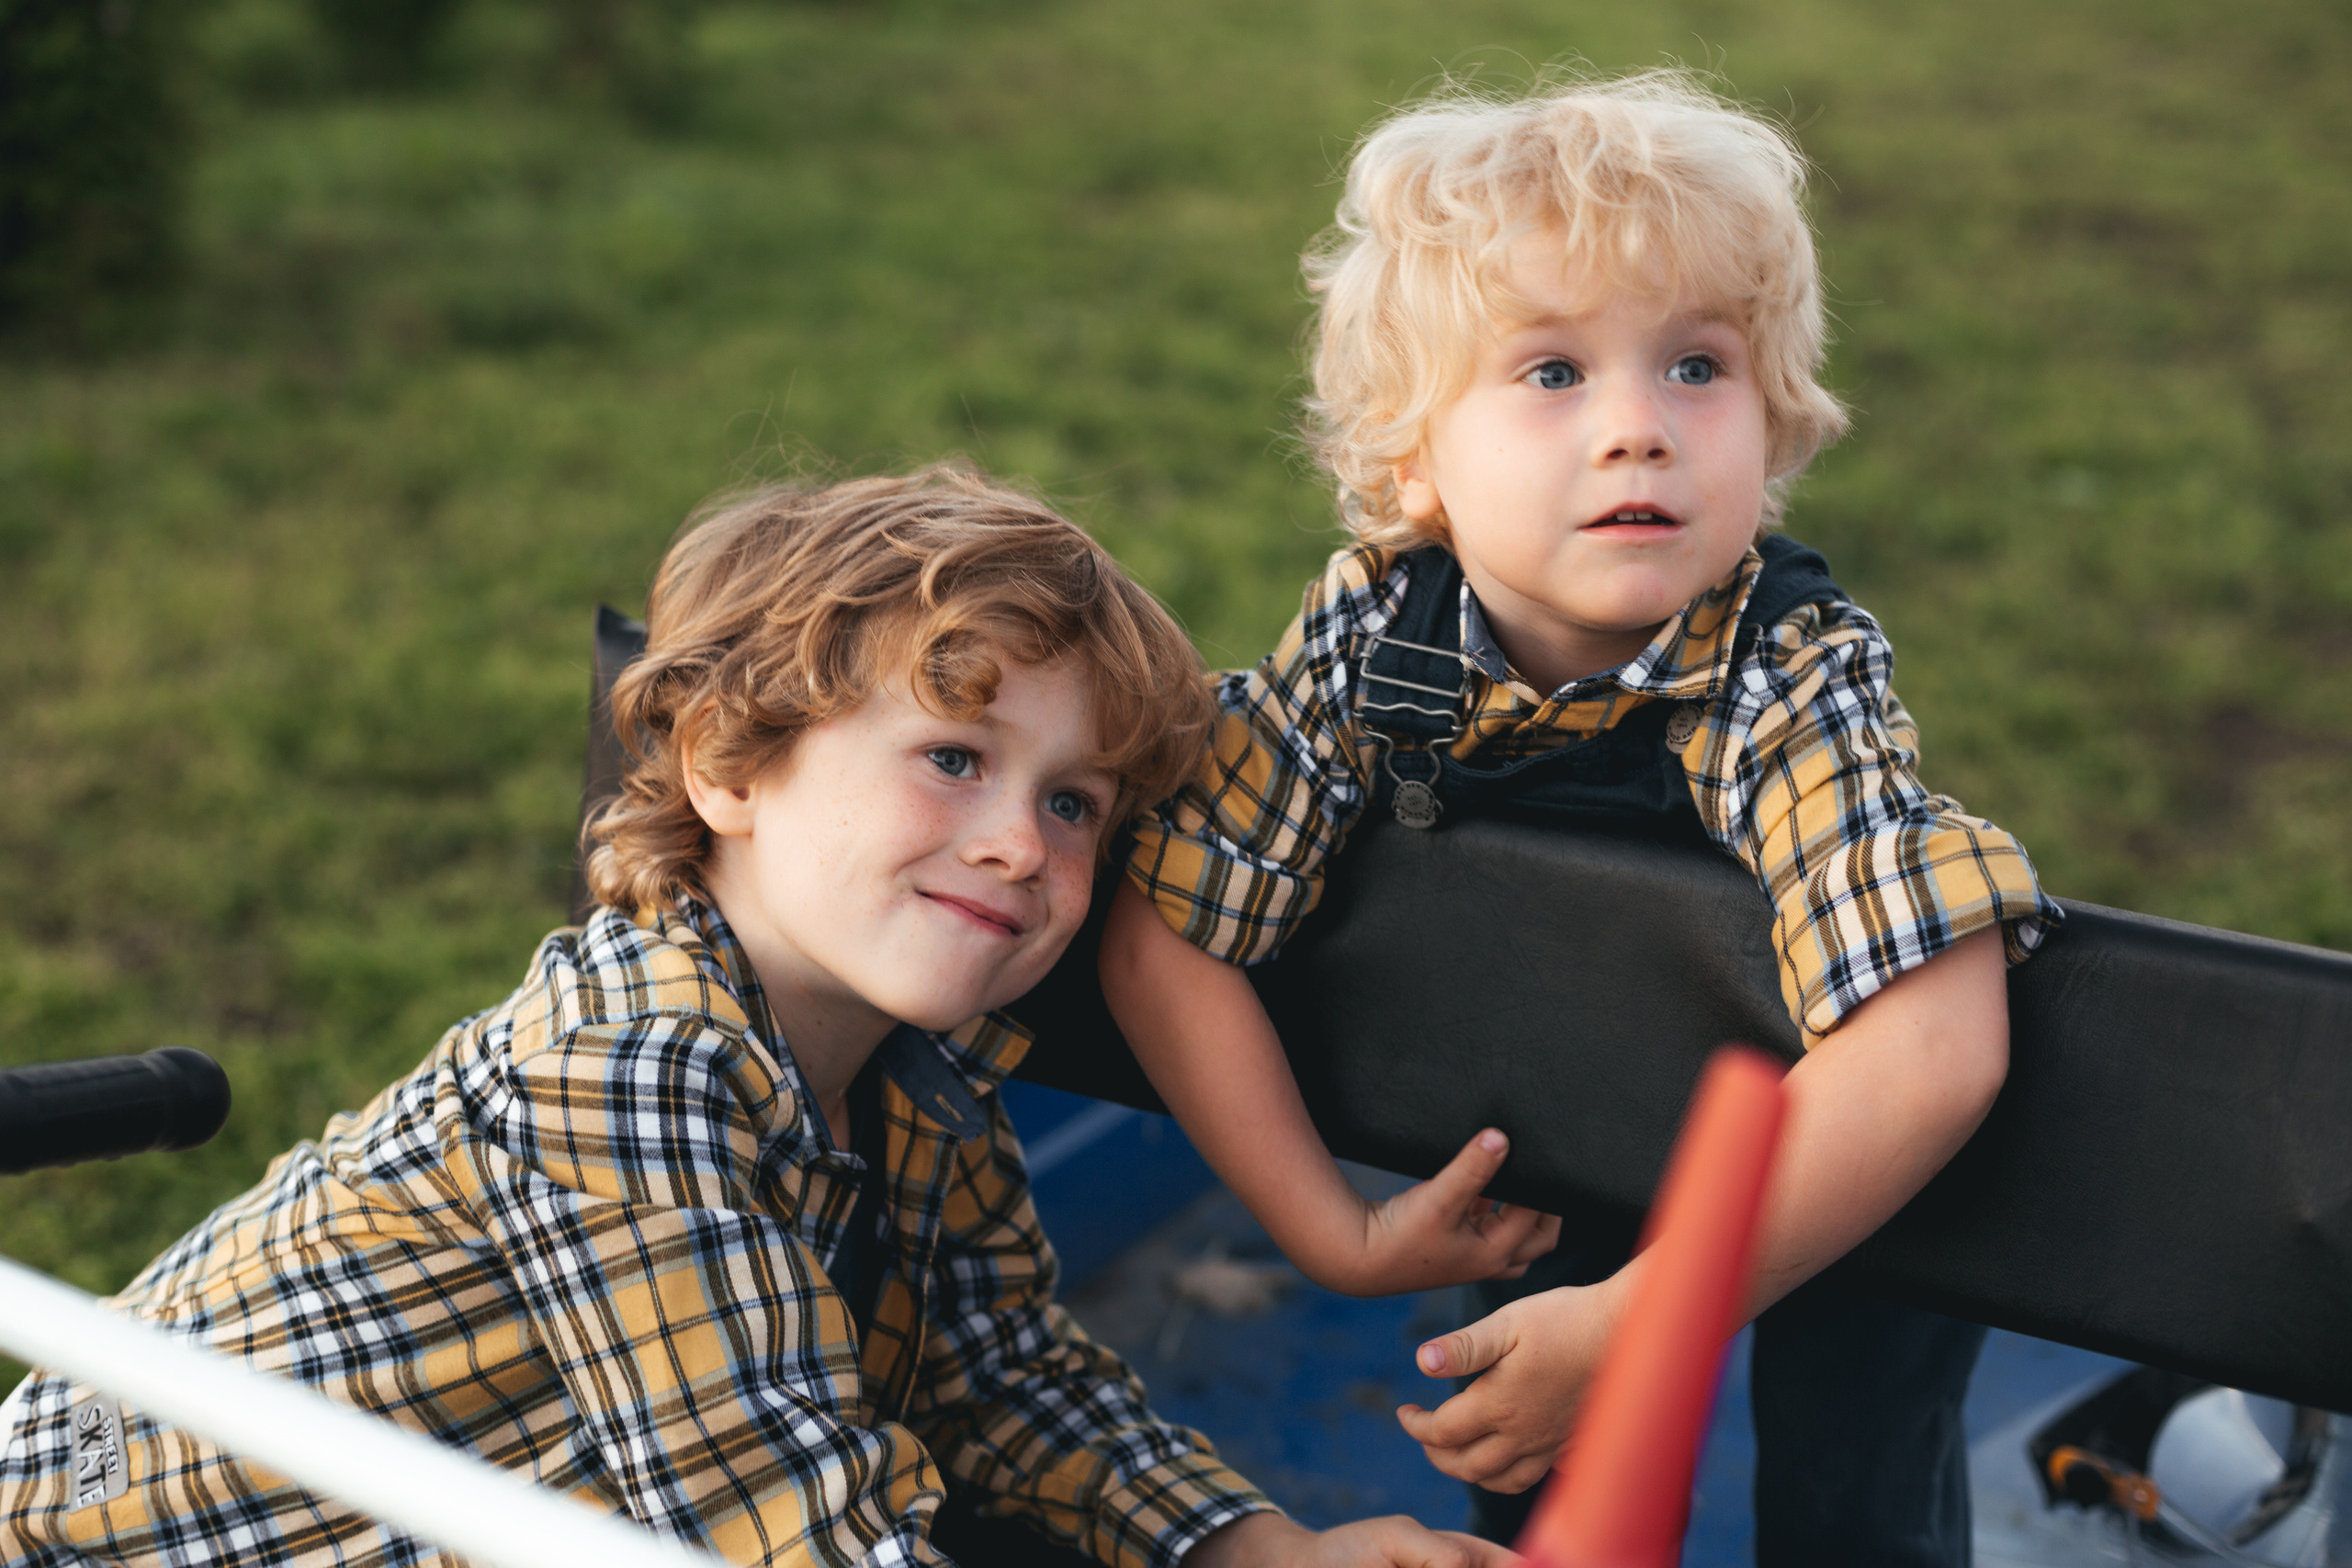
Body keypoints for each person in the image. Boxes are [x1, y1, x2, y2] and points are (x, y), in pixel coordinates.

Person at [0, 468, 1517, 1568]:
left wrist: (1251, 1545)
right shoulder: (628, 1072)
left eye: (1074, 803)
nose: (1019, 844)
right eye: (954, 759)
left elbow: (996, 1377)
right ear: (729, 766)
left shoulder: (918, 1082)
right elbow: (784, 1524)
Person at [1097, 73, 2064, 1565]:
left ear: (1772, 425)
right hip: (1556, 1138)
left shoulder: (1782, 668)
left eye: (1697, 367)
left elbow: (1933, 1040)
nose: (1637, 429)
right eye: (1552, 371)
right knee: (1541, 1472)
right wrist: (1329, 1227)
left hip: (1839, 1178)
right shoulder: (1375, 644)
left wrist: (1645, 1325)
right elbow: (1172, 929)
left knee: (1855, 1492)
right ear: (1414, 460)